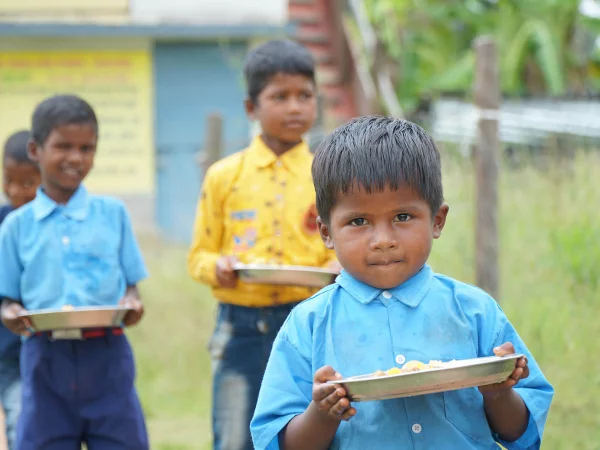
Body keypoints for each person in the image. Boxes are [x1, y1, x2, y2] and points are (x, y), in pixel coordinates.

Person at [250, 116, 554, 450]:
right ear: (326, 233)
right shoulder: (308, 325)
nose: (383, 240)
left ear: (437, 220)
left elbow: (521, 434)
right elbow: (279, 442)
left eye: (403, 217)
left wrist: (499, 391)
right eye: (359, 221)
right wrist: (323, 413)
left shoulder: (475, 311)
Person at [187, 39, 339, 450]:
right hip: (240, 328)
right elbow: (199, 256)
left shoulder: (327, 173)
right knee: (235, 436)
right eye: (280, 97)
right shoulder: (224, 176)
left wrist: (335, 266)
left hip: (310, 322)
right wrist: (218, 266)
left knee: (313, 434)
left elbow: (342, 244)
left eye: (304, 96)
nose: (294, 107)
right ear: (251, 107)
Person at [0, 94, 149, 450]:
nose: (75, 158)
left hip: (108, 356)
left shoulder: (113, 214)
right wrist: (12, 315)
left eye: (86, 148)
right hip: (43, 360)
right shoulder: (16, 227)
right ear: (36, 150)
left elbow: (132, 290)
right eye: (63, 146)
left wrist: (132, 304)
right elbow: (8, 302)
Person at [0, 130, 41, 449]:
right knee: (20, 423)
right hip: (8, 353)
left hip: (45, 347)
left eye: (28, 183)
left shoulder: (52, 225)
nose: (15, 191)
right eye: (8, 180)